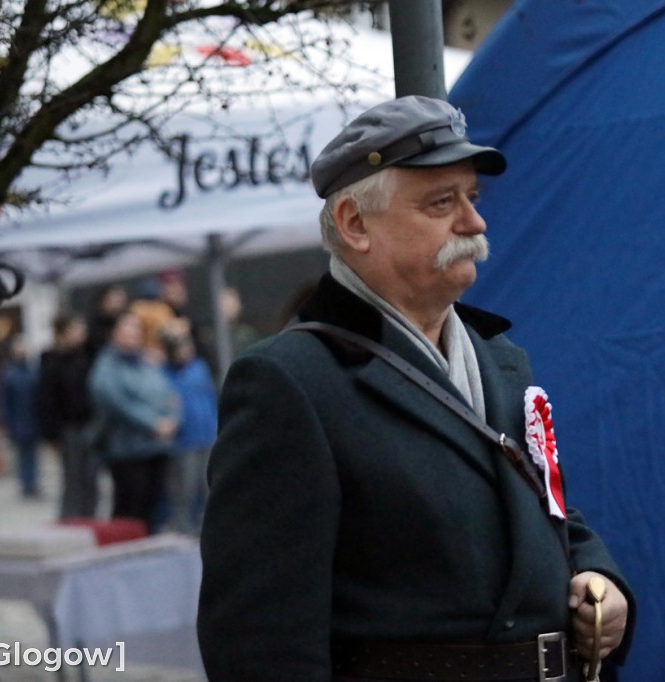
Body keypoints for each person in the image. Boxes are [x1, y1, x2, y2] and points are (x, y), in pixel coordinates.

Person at [198, 96, 636, 681]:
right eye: (441, 202)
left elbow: (546, 511)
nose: (474, 223)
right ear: (355, 224)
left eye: (472, 199)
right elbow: (258, 639)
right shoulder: (291, 380)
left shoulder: (501, 358)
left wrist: (598, 577)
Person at [89, 311, 180, 533]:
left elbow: (170, 395)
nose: (132, 334)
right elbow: (117, 402)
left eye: (135, 329)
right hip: (127, 452)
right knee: (130, 510)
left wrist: (172, 420)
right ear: (114, 333)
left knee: (155, 507)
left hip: (157, 449)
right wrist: (153, 424)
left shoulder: (148, 362)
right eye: (126, 328)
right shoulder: (107, 367)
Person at [38, 313, 98, 519]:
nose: (82, 334)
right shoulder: (52, 362)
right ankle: (70, 519)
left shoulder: (86, 357)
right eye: (77, 329)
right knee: (72, 478)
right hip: (68, 427)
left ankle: (89, 517)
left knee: (90, 477)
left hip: (88, 424)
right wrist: (52, 435)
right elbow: (46, 402)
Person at [161, 323, 218, 534]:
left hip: (208, 434)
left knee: (207, 485)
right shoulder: (165, 374)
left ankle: (208, 526)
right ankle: (183, 526)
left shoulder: (199, 367)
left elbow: (211, 396)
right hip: (184, 439)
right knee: (185, 486)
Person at [0, 334, 41, 498]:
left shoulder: (33, 370)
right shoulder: (9, 373)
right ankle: (26, 483)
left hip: (32, 419)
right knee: (23, 454)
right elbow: (5, 400)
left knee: (32, 454)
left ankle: (33, 483)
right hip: (19, 421)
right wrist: (6, 422)